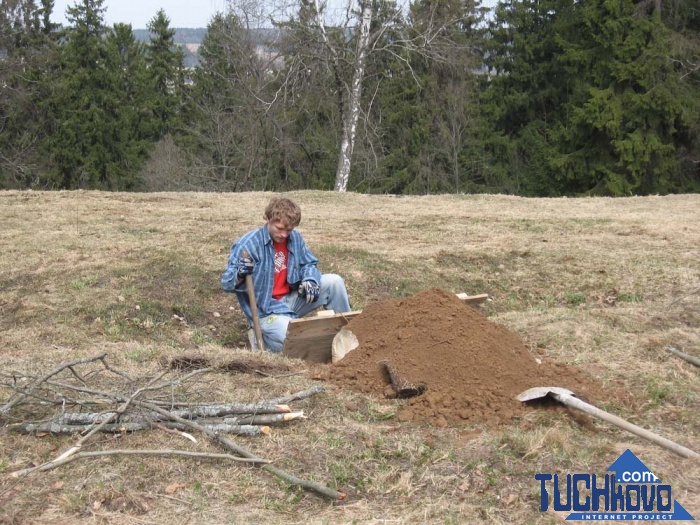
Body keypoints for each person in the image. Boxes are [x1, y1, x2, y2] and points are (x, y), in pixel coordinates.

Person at [221, 197, 351, 352]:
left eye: (288, 230)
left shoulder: (294, 239)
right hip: (266, 311)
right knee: (298, 341)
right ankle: (261, 339)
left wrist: (310, 280)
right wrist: (239, 274)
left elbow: (308, 263)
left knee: (334, 282)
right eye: (279, 228)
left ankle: (350, 334)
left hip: (292, 301)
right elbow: (226, 283)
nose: (284, 234)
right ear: (269, 219)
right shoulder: (247, 244)